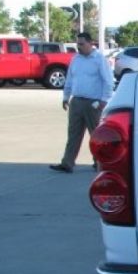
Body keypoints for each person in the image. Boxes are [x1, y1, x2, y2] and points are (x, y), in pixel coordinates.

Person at [49, 32, 114, 173]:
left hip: (94, 103)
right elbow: (70, 79)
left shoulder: (99, 60)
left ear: (91, 44)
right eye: (78, 44)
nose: (79, 47)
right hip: (77, 101)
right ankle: (67, 163)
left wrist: (104, 100)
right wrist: (66, 97)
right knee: (73, 134)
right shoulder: (76, 59)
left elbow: (108, 81)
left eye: (82, 44)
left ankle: (100, 163)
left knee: (97, 135)